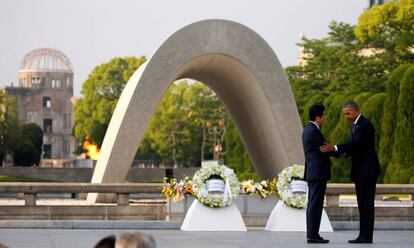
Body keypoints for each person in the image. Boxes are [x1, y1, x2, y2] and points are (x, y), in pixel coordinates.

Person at [320, 100, 381, 244]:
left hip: (367, 170)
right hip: (360, 170)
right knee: (362, 203)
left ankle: (366, 237)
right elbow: (355, 149)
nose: (346, 117)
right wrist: (340, 153)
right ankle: (363, 236)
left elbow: (356, 144)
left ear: (355, 111)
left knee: (366, 204)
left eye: (347, 114)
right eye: (345, 114)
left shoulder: (365, 125)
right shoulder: (355, 126)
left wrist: (335, 147)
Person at [302, 104, 336, 244]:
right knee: (315, 204)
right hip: (317, 172)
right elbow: (325, 148)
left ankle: (313, 234)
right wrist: (339, 150)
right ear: (318, 117)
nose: (325, 117)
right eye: (324, 115)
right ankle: (313, 235)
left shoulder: (309, 130)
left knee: (314, 203)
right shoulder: (313, 131)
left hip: (314, 172)